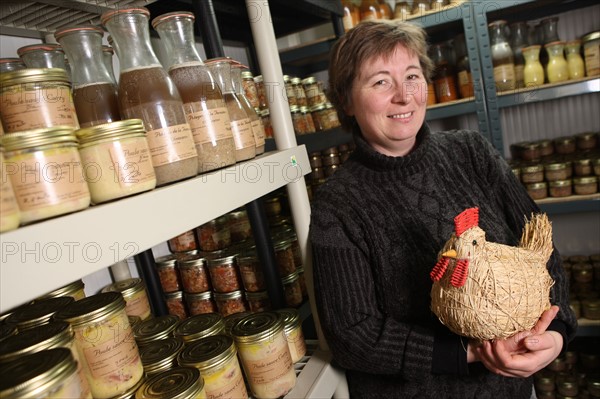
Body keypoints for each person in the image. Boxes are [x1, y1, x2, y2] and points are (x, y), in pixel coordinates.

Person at [309, 20, 577, 398]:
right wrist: (468, 352)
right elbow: (352, 334)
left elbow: (540, 246)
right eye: (381, 81)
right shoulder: (338, 201)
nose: (404, 96)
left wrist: (555, 331)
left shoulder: (472, 152)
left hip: (514, 390)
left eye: (413, 76)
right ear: (346, 101)